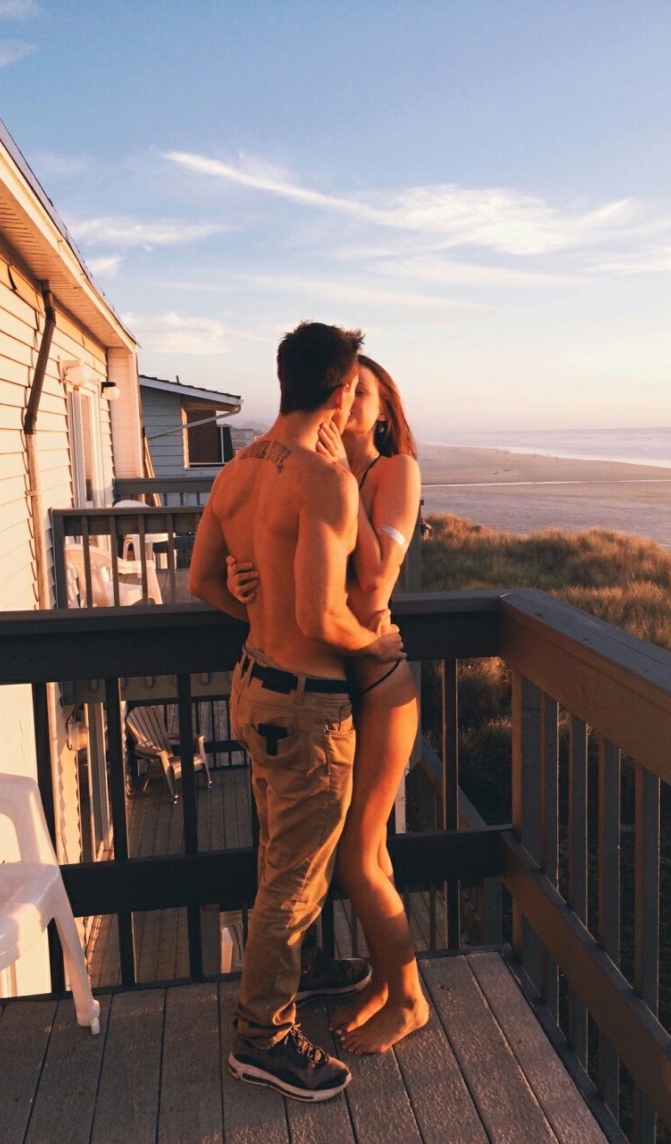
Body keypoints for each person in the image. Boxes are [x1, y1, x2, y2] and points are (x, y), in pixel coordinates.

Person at [189, 322, 405, 1102]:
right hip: (307, 707)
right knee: (296, 880)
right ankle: (262, 1036)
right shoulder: (324, 480)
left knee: (281, 857)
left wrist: (254, 613)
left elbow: (202, 581)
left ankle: (301, 975)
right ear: (344, 389)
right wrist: (374, 643)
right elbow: (322, 619)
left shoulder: (238, 469)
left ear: (283, 381)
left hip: (252, 684)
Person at [228, 353, 429, 1055]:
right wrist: (245, 569)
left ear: (382, 411)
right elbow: (301, 576)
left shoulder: (391, 472)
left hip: (379, 680)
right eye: (347, 391)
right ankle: (382, 979)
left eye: (365, 394)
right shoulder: (320, 482)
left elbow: (373, 585)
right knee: (363, 854)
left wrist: (341, 478)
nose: (350, 405)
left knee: (358, 860)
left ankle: (409, 1001)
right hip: (338, 681)